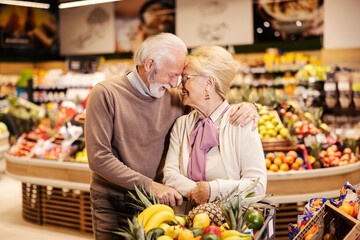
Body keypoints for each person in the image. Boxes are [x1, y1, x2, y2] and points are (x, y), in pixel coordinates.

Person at [85, 33, 259, 239]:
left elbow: (212, 101)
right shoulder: (106, 93)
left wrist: (252, 107)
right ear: (149, 64)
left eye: (182, 77)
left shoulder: (175, 98)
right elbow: (99, 158)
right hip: (114, 201)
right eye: (172, 75)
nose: (177, 83)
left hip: (159, 203)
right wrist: (151, 186)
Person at [163, 45, 267, 207]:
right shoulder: (181, 125)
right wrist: (198, 191)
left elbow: (257, 185)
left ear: (209, 83)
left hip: (231, 225)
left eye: (186, 78)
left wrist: (212, 190)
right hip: (188, 223)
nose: (179, 85)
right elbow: (170, 175)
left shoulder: (240, 121)